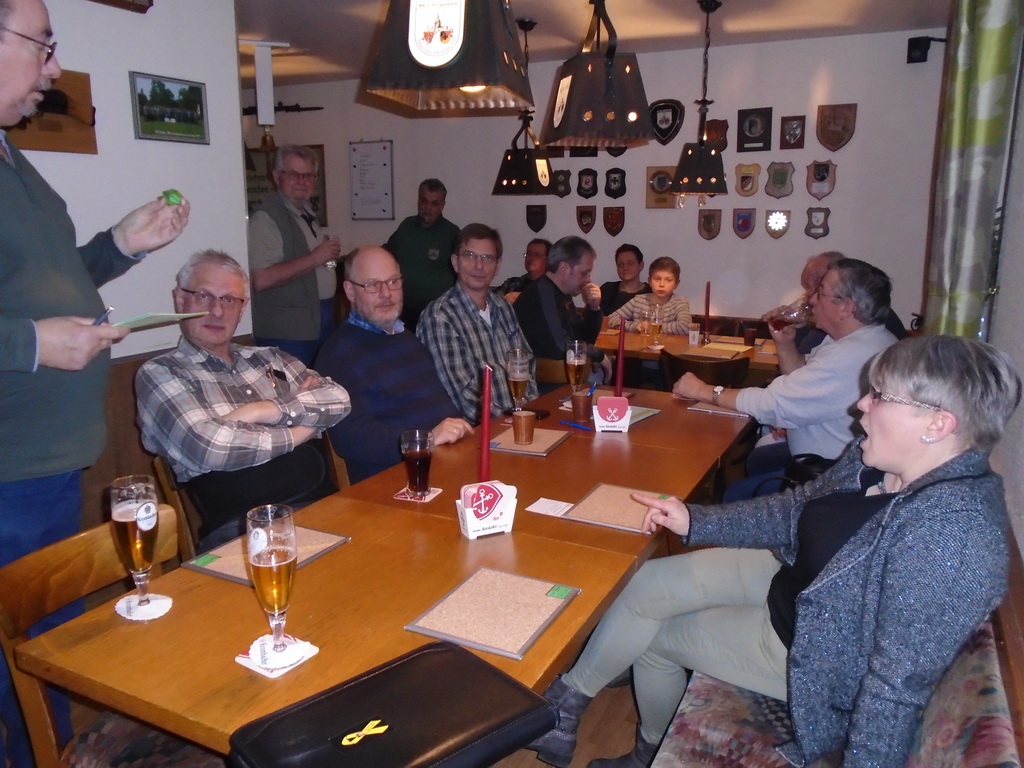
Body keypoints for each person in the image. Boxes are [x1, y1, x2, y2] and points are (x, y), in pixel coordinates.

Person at [528, 335, 1021, 768]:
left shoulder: (954, 533)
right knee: (648, 583)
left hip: (811, 651)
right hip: (791, 577)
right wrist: (696, 520)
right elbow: (796, 510)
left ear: (937, 424)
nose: (861, 405)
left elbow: (895, 687)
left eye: (880, 396)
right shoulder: (877, 460)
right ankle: (564, 709)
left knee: (657, 640)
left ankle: (648, 751)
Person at [0, 2, 190, 762]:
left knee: (43, 644)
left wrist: (119, 245)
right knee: (18, 659)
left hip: (47, 466)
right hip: (8, 470)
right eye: (42, 45)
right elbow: (27, 323)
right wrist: (31, 344)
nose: (53, 68)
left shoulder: (14, 159)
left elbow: (45, 281)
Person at [136, 250, 350, 551]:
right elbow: (209, 446)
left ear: (242, 308)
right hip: (241, 532)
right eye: (203, 296)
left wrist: (259, 411)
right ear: (180, 300)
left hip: (323, 508)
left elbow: (339, 399)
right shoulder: (160, 373)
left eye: (228, 300)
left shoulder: (270, 357)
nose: (216, 311)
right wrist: (301, 431)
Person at [675, 258, 898, 498]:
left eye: (820, 292)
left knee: (735, 494)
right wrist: (785, 343)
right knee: (758, 460)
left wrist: (702, 390)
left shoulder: (850, 355)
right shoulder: (861, 340)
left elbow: (772, 404)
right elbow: (802, 380)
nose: (812, 300)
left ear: (845, 307)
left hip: (831, 475)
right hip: (829, 459)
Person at [315, 246, 473, 483]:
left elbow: (440, 408)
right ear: (350, 291)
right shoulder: (337, 355)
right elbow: (349, 438)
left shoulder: (409, 340)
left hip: (446, 464)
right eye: (372, 285)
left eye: (393, 282)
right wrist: (425, 440)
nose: (386, 293)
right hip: (394, 481)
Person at [417, 223, 537, 423]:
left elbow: (526, 364)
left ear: (497, 266)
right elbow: (464, 398)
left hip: (520, 419)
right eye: (470, 256)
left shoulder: (504, 308)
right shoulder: (440, 317)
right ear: (455, 262)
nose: (479, 266)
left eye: (487, 258)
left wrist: (530, 412)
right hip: (477, 432)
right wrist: (511, 422)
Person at [248, 144, 342, 366]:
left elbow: (311, 262)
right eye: (293, 174)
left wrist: (325, 260)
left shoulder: (306, 211)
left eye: (307, 175)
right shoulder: (266, 219)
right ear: (276, 176)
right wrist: (316, 258)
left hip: (319, 319)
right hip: (288, 332)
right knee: (294, 388)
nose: (302, 181)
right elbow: (261, 279)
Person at [514, 235, 612, 382]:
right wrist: (598, 354)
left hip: (558, 378)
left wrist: (593, 308)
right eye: (584, 273)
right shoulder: (543, 293)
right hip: (540, 385)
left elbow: (584, 339)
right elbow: (561, 348)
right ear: (564, 268)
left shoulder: (560, 294)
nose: (588, 279)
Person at [385, 178, 460, 330]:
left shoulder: (452, 233)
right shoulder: (406, 226)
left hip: (437, 314)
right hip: (402, 310)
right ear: (418, 200)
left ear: (442, 205)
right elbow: (387, 253)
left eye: (434, 203)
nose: (428, 207)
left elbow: (463, 273)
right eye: (424, 201)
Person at [607, 257, 691, 334]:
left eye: (668, 280)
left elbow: (686, 326)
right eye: (657, 279)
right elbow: (610, 319)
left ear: (676, 284)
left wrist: (652, 328)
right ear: (650, 281)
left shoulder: (679, 302)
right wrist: (635, 326)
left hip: (667, 345)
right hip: (639, 345)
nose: (661, 284)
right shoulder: (638, 300)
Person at [600, 243, 651, 315]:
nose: (625, 268)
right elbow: (593, 317)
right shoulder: (607, 289)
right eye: (621, 264)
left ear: (641, 265)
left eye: (630, 263)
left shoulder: (652, 292)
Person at [495, 237, 550, 303]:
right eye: (529, 254)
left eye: (536, 255)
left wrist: (522, 296)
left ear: (547, 259)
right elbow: (491, 299)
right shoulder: (512, 283)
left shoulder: (551, 285)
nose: (530, 258)